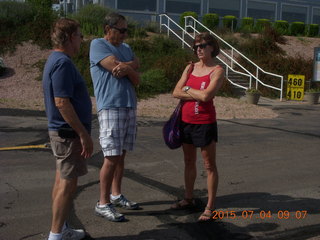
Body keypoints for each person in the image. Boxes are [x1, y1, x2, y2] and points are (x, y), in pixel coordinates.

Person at [43, 18, 93, 240]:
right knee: (66, 185)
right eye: (80, 36)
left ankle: (60, 229)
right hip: (67, 134)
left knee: (61, 181)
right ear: (71, 36)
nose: (82, 40)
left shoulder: (56, 59)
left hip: (63, 133)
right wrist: (83, 134)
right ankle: (56, 235)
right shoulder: (62, 62)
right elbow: (62, 101)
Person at [89, 12, 140, 222]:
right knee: (110, 156)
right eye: (122, 30)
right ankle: (103, 203)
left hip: (128, 105)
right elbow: (113, 65)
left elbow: (136, 77)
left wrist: (127, 67)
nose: (125, 35)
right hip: (110, 106)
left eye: (127, 30)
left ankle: (116, 194)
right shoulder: (97, 44)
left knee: (121, 155)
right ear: (108, 29)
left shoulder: (126, 48)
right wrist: (131, 67)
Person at [172, 32, 224, 222]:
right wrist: (191, 91)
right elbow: (175, 92)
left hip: (205, 123)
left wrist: (187, 90)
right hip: (186, 121)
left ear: (212, 47)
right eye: (196, 47)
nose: (198, 49)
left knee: (209, 165)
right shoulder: (190, 68)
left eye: (202, 45)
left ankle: (210, 206)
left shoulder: (217, 70)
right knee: (188, 162)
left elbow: (206, 97)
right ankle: (188, 198)